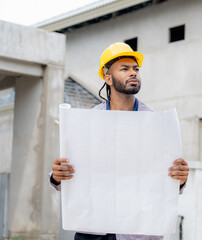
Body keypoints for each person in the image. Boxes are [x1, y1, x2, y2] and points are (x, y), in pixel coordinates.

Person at [50, 42, 189, 240]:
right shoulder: (88, 122)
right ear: (108, 77)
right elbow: (68, 176)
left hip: (138, 233)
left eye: (136, 69)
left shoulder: (156, 124)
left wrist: (180, 179)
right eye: (124, 69)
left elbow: (165, 180)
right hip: (93, 231)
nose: (133, 73)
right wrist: (57, 175)